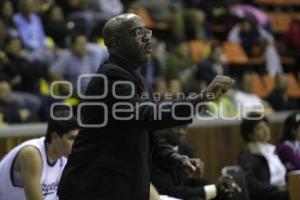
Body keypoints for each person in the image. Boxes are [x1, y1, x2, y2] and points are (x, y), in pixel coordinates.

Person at [58, 13, 234, 200]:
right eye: (138, 33)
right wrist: (199, 100)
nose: (147, 38)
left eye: (147, 32)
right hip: (94, 188)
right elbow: (145, 116)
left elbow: (149, 136)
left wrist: (176, 158)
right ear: (116, 43)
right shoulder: (111, 77)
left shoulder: (138, 80)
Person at [0, 114, 79, 200]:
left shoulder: (65, 155)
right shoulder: (32, 153)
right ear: (55, 137)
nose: (76, 143)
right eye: (72, 138)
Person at [151, 125, 240, 200]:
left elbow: (188, 182)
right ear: (163, 126)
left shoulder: (186, 149)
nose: (182, 132)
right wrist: (213, 189)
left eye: (185, 127)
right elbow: (167, 191)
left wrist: (218, 186)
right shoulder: (153, 153)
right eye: (177, 127)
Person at [238, 112, 289, 200]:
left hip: (283, 190)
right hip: (269, 194)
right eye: (260, 128)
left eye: (266, 126)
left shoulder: (273, 148)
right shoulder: (247, 154)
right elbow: (250, 183)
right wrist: (276, 189)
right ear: (250, 134)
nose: (266, 130)